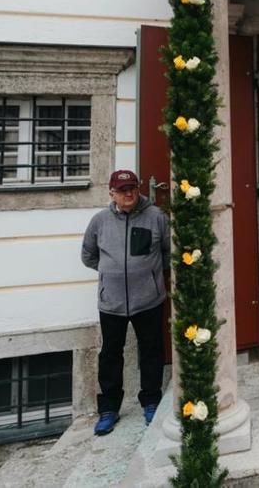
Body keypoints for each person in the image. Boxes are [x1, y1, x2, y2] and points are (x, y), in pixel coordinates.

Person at [81, 170, 170, 434]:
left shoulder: (156, 217)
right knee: (110, 354)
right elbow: (88, 256)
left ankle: (151, 401)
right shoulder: (99, 221)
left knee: (152, 351)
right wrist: (112, 273)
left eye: (132, 188)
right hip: (112, 303)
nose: (128, 194)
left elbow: (168, 252)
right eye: (122, 190)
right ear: (111, 193)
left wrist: (149, 274)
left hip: (149, 300)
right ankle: (109, 409)